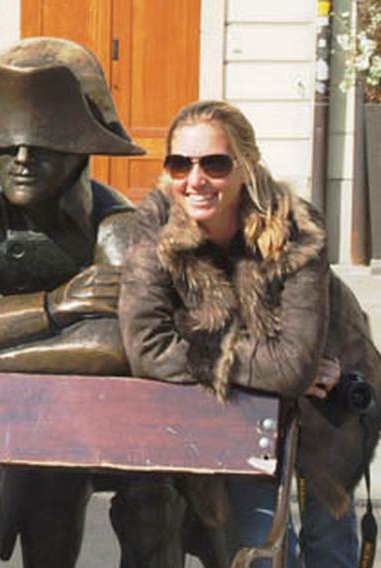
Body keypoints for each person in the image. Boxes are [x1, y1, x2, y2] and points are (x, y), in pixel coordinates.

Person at [0, 37, 187, 568]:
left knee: (154, 500)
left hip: (118, 422)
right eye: (6, 144)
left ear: (80, 151)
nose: (20, 159)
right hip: (18, 427)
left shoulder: (117, 225)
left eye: (42, 146)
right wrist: (57, 306)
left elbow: (114, 346)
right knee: (45, 494)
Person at [119, 99, 381, 567]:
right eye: (180, 163)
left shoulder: (297, 226)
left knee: (328, 540)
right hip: (242, 404)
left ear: (247, 167)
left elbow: (295, 365)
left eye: (214, 164)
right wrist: (241, 361)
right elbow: (147, 346)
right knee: (263, 547)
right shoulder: (157, 221)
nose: (194, 180)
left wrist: (195, 341)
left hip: (334, 384)